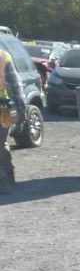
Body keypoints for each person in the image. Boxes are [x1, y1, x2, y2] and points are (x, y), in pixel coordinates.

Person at [0, 47, 26, 194]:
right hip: (3, 108)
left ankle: (4, 182)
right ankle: (8, 177)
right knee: (2, 143)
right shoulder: (4, 55)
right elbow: (16, 85)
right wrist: (22, 109)